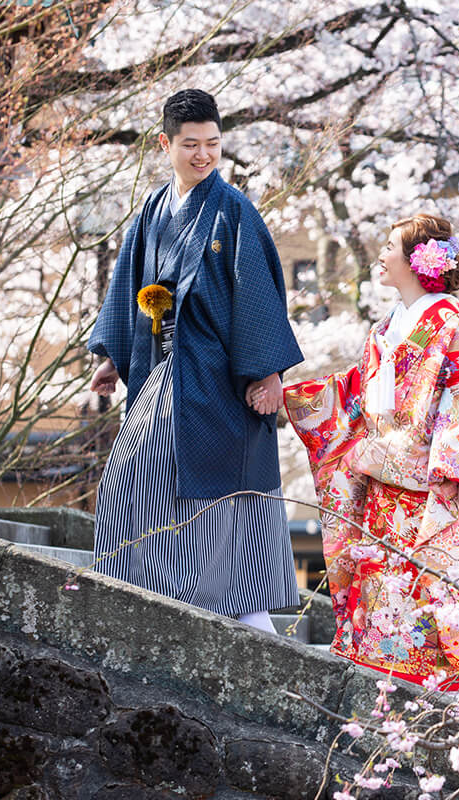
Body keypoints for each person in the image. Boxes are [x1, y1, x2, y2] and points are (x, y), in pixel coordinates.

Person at [87, 89, 304, 634]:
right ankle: (158, 601)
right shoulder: (153, 211)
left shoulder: (234, 213)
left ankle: (249, 623)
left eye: (212, 144)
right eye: (190, 145)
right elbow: (132, 289)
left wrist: (269, 372)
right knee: (133, 483)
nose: (203, 155)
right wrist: (115, 357)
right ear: (166, 144)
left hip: (217, 386)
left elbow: (257, 295)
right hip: (159, 374)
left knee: (218, 496)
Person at [284, 213, 459, 685]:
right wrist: (294, 399)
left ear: (416, 260)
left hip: (429, 486)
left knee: (431, 589)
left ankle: (432, 693)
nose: (382, 254)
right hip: (378, 484)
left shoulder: (452, 324)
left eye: (391, 246)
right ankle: (377, 684)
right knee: (379, 580)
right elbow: (357, 391)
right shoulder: (385, 327)